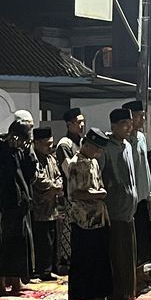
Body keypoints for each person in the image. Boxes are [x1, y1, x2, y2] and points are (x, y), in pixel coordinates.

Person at [66, 128, 112, 300]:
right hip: (82, 219)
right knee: (81, 261)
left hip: (98, 218)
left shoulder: (92, 162)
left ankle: (94, 299)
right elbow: (75, 192)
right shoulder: (76, 163)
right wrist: (98, 194)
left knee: (98, 260)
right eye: (96, 148)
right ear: (86, 144)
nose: (98, 153)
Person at [100, 108, 139, 300]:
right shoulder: (106, 148)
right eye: (124, 123)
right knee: (117, 254)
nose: (129, 127)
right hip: (114, 210)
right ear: (113, 126)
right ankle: (116, 293)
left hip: (129, 209)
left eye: (130, 123)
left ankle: (128, 292)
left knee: (129, 253)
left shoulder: (128, 145)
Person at [0, 122, 35, 293]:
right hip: (9, 201)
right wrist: (11, 151)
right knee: (8, 242)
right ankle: (3, 283)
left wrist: (28, 152)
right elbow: (5, 175)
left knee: (21, 241)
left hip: (22, 202)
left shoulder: (21, 150)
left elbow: (29, 174)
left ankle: (17, 280)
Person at [123, 99, 151, 275]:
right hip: (130, 197)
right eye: (139, 117)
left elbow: (145, 167)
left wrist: (149, 192)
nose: (142, 121)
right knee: (132, 236)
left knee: (144, 236)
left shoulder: (141, 137)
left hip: (143, 194)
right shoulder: (124, 141)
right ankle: (132, 275)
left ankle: (141, 273)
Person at [55, 108, 86, 273]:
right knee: (69, 230)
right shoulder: (64, 144)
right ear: (69, 124)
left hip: (83, 195)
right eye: (78, 122)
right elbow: (69, 170)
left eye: (82, 121)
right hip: (71, 195)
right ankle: (66, 261)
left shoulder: (81, 142)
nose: (82, 125)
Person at [30, 126, 62, 281]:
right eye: (46, 144)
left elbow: (58, 176)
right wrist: (52, 187)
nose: (50, 147)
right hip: (38, 208)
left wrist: (57, 187)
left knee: (53, 240)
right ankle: (41, 270)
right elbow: (38, 179)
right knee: (42, 241)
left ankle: (51, 269)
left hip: (52, 207)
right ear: (36, 143)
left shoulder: (51, 158)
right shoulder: (32, 158)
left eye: (51, 143)